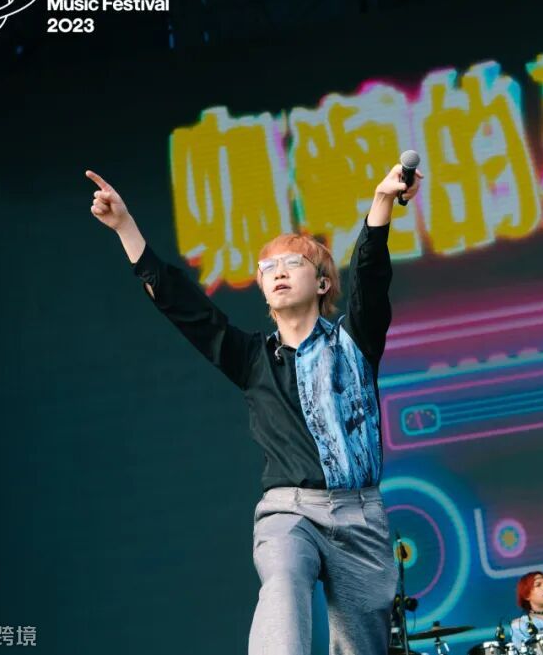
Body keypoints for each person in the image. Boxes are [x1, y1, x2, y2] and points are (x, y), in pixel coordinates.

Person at [86, 163, 423, 655]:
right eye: (268, 268)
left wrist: (382, 201)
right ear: (263, 290)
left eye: (293, 263)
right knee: (283, 583)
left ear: (323, 284)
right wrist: (125, 227)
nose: (278, 272)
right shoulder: (251, 358)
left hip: (361, 514)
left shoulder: (354, 343)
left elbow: (371, 276)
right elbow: (185, 307)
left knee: (363, 646)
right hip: (290, 510)